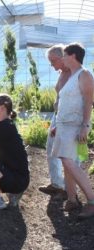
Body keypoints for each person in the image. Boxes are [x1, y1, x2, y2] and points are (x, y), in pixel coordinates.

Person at [51, 42, 94, 218]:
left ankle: (92, 200)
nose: (62, 58)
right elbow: (64, 102)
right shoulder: (72, 75)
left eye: (65, 55)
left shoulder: (84, 74)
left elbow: (88, 101)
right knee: (65, 161)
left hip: (74, 125)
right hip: (63, 125)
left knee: (69, 162)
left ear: (73, 56)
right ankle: (72, 199)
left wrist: (85, 125)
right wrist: (56, 124)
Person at [38, 44, 71, 196]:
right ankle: (57, 183)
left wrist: (60, 124)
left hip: (67, 119)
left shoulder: (74, 74)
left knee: (68, 154)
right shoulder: (62, 72)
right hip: (57, 116)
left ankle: (71, 189)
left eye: (53, 61)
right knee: (51, 148)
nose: (51, 65)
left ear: (62, 57)